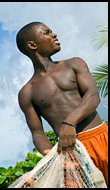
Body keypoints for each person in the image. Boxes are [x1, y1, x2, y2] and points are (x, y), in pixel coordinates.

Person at [16, 22, 108, 186]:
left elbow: (93, 96)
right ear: (32, 44)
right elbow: (38, 133)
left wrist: (69, 122)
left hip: (102, 137)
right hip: (71, 154)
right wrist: (51, 156)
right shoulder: (27, 92)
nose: (54, 34)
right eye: (47, 32)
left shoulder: (74, 63)